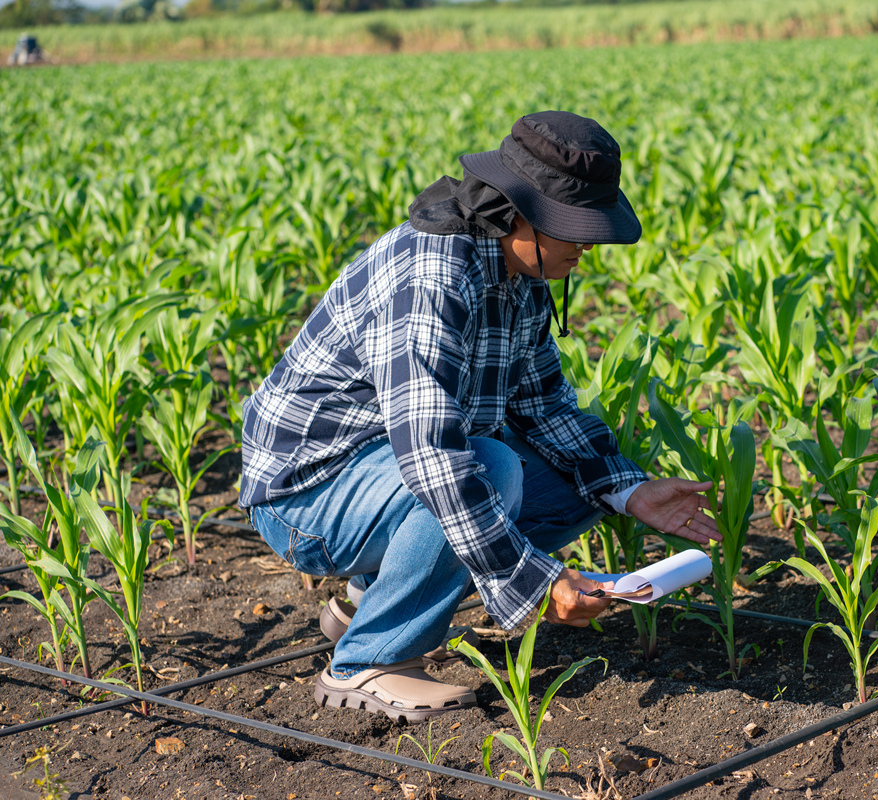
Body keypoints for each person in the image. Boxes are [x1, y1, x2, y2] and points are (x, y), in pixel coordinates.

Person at [239, 111, 721, 722]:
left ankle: (377, 596)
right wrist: (538, 586)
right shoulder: (432, 275)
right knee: (488, 467)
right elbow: (432, 454)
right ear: (513, 212)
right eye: (572, 229)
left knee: (577, 484)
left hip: (384, 476)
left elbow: (546, 409)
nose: (585, 248)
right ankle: (367, 661)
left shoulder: (522, 276)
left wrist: (631, 492)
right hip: (307, 494)